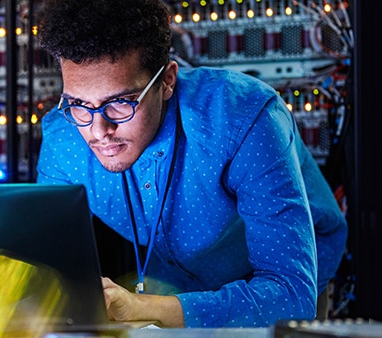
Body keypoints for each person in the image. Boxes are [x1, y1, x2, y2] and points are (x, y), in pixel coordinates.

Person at [34, 0, 348, 328]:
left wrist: (149, 308)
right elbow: (50, 266)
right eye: (79, 104)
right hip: (170, 279)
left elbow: (292, 296)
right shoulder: (63, 137)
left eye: (120, 103)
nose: (98, 131)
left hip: (282, 282)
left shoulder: (244, 118)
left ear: (167, 80)